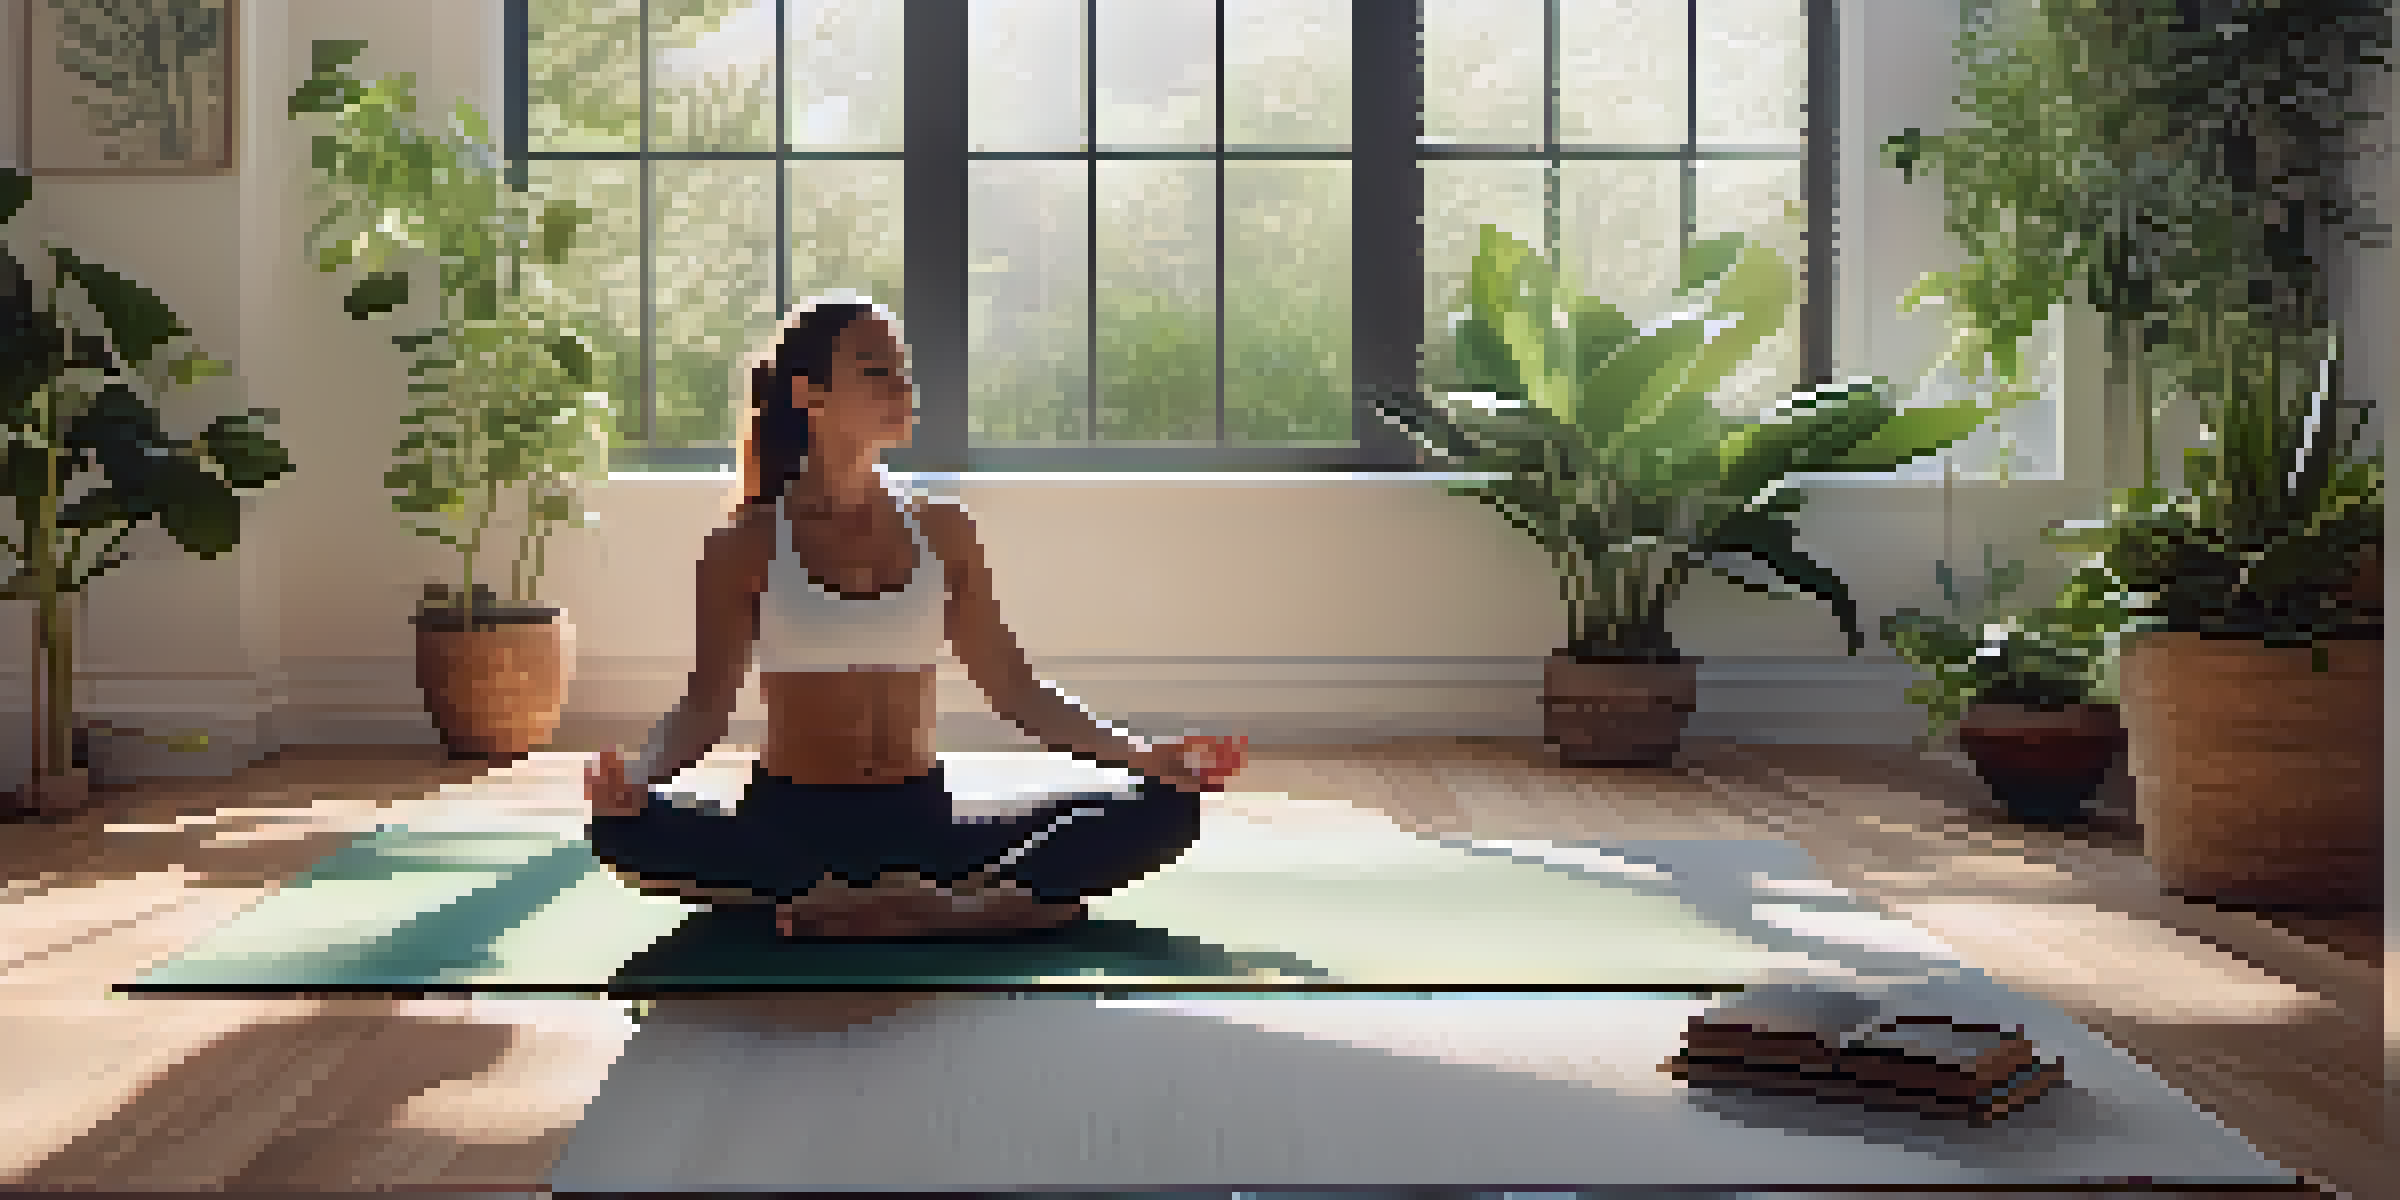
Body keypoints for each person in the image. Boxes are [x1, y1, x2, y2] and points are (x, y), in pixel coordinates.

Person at [583, 295, 1247, 940]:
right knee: (620, 828)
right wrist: (634, 779)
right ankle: (926, 903)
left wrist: (1140, 753)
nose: (902, 387)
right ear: (808, 393)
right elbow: (703, 709)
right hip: (791, 826)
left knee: (1164, 808)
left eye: (904, 370)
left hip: (922, 824)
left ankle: (932, 912)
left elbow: (1015, 688)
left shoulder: (944, 528)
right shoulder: (746, 542)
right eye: (876, 371)